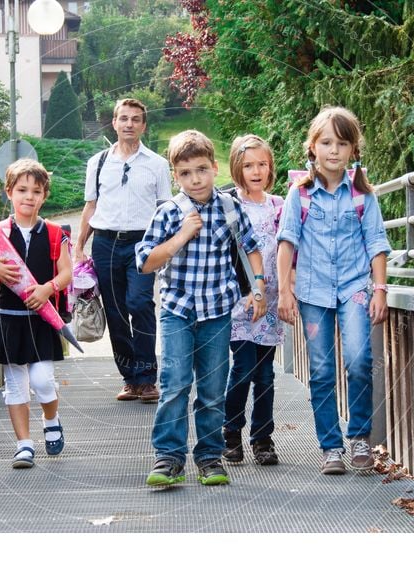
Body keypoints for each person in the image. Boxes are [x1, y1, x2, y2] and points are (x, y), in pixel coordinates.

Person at [136, 129, 267, 487]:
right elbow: (146, 262)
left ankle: (210, 457)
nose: (195, 179)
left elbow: (251, 246)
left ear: (214, 167)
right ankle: (169, 457)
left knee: (211, 388)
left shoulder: (230, 207)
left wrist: (258, 288)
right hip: (178, 309)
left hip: (217, 311)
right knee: (175, 384)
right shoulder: (169, 212)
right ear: (174, 174)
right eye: (185, 173)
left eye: (202, 170)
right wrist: (180, 236)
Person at [276, 106, 391, 475]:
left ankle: (359, 436)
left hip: (356, 288)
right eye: (326, 142)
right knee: (323, 369)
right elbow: (287, 243)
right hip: (312, 291)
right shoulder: (300, 195)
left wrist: (380, 290)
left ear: (353, 150)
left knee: (359, 360)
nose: (334, 151)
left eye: (342, 143)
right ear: (312, 147)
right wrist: (284, 292)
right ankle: (331, 446)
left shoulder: (362, 196)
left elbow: (376, 242)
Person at [0, 159, 72, 469]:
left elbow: (67, 273)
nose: (29, 197)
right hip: (8, 318)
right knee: (15, 384)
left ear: (44, 195)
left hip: (41, 318)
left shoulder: (56, 233)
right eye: (22, 190)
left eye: (36, 191)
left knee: (43, 381)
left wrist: (48, 288)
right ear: (9, 193)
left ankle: (51, 418)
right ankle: (24, 444)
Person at [73, 98, 172, 404]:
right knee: (115, 311)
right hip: (104, 244)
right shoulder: (98, 162)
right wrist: (79, 245)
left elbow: (164, 208)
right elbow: (91, 205)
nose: (129, 124)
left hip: (143, 243)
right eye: (124, 118)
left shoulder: (156, 164)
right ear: (114, 123)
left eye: (136, 119)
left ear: (143, 125)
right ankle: (130, 379)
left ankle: (147, 377)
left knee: (140, 302)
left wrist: (166, 248)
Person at [221, 135, 284, 466]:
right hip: (240, 301)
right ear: (237, 168)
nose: (256, 171)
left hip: (270, 304)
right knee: (242, 368)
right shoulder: (228, 206)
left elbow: (289, 249)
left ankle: (262, 437)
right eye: (248, 165)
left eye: (262, 164)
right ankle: (230, 432)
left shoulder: (278, 206)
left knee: (265, 374)